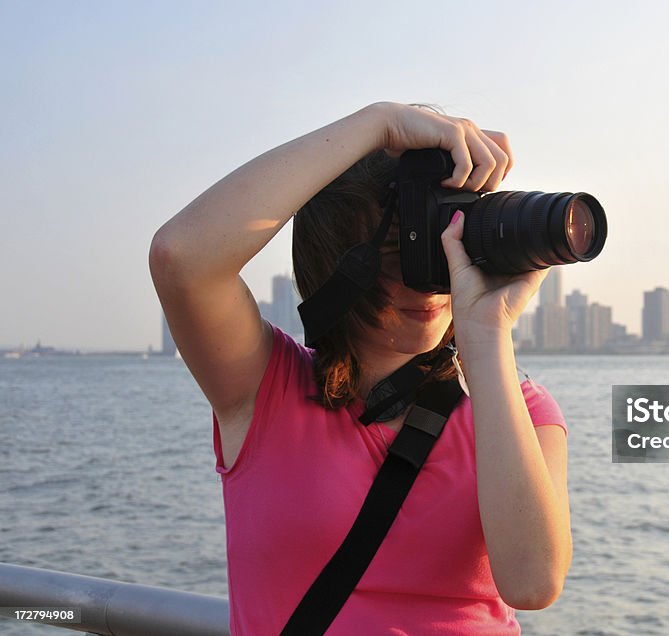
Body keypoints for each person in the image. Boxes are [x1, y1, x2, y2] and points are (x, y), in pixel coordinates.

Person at [149, 102, 572, 634]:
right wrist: (380, 124)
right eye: (398, 252)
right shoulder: (265, 388)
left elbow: (533, 582)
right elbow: (181, 257)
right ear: (338, 263)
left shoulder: (523, 409)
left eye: (446, 247)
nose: (428, 281)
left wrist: (486, 335)